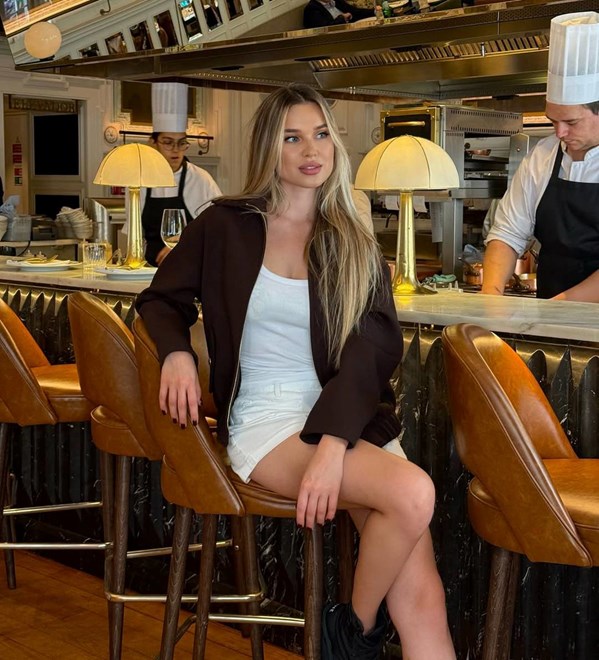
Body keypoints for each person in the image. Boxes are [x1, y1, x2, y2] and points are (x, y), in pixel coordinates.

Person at [136, 83, 455, 660]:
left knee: (423, 592)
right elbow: (161, 300)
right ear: (269, 147)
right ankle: (350, 634)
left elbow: (372, 351)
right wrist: (176, 352)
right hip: (267, 419)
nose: (312, 150)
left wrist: (333, 444)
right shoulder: (225, 225)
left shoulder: (352, 240)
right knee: (412, 493)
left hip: (344, 414)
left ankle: (346, 636)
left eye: (321, 134)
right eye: (292, 138)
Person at [482, 11, 599, 301]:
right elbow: (507, 234)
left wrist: (558, 308)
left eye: (571, 122)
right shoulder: (543, 156)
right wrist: (490, 298)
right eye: (552, 121)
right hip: (551, 313)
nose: (559, 132)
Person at [124, 82, 221, 267]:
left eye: (181, 143)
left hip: (190, 269)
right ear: (153, 143)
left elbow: (217, 229)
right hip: (150, 270)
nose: (176, 150)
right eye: (168, 142)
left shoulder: (200, 179)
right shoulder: (140, 181)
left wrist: (183, 244)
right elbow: (134, 237)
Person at [303, 0, 374, 29]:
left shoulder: (335, 1)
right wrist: (342, 18)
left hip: (352, 31)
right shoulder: (312, 9)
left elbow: (355, 12)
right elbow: (325, 28)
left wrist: (374, 12)